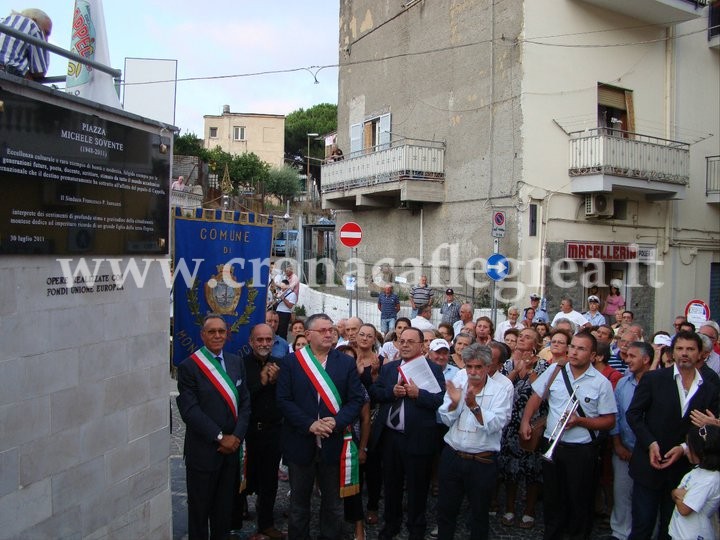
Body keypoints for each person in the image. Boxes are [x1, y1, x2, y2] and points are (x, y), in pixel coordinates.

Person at [520, 331, 617, 540]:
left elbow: (609, 420)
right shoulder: (556, 369)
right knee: (553, 499)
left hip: (581, 450)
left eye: (581, 349)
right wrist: (526, 421)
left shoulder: (601, 383)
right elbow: (537, 397)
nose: (574, 352)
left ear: (593, 356)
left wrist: (580, 421)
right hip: (552, 443)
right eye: (572, 346)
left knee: (579, 501)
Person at [276, 313, 365, 540]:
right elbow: (283, 400)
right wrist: (310, 424)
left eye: (331, 330)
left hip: (333, 443)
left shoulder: (345, 362)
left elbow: (356, 400)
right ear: (307, 334)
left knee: (333, 505)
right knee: (298, 505)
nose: (329, 334)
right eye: (323, 330)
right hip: (300, 442)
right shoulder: (291, 362)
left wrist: (337, 421)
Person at [626, 331, 720, 540]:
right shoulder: (653, 379)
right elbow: (633, 414)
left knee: (671, 531)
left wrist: (685, 448)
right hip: (649, 465)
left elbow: (711, 430)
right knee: (642, 526)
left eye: (690, 349)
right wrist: (650, 442)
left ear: (700, 354)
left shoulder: (710, 388)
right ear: (672, 352)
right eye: (680, 349)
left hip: (682, 471)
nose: (684, 354)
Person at [176, 314, 251, 540]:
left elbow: (245, 402)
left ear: (227, 334)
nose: (217, 335)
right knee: (199, 512)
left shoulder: (236, 362)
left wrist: (236, 437)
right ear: (203, 335)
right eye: (212, 332)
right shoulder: (189, 367)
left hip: (231, 451)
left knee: (223, 511)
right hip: (203, 452)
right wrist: (220, 437)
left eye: (221, 331)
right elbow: (190, 411)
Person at [370, 327, 445, 540]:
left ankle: (416, 527)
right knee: (391, 484)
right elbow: (375, 392)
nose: (404, 344)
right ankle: (391, 524)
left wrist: (418, 394)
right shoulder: (389, 368)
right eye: (401, 340)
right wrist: (390, 392)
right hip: (390, 437)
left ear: (422, 346)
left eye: (410, 341)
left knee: (417, 485)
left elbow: (439, 401)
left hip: (417, 437)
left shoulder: (432, 369)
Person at [436, 344, 513, 540]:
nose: (473, 372)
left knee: (479, 514)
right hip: (453, 456)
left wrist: (474, 406)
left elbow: (497, 423)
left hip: (482, 461)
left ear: (488, 367)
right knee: (446, 510)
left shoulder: (500, 389)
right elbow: (445, 419)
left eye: (478, 367)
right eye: (469, 367)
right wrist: (454, 404)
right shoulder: (459, 382)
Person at [499, 328, 549, 530]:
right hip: (510, 423)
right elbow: (501, 387)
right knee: (510, 468)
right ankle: (509, 508)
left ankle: (529, 510)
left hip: (533, 424)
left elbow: (544, 393)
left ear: (536, 344)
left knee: (532, 468)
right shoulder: (508, 363)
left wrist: (530, 371)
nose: (521, 338)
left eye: (527, 337)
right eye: (521, 336)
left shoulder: (545, 366)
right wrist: (516, 370)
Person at [237, 324, 284, 539]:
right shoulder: (239, 365)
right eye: (260, 340)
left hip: (273, 431)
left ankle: (265, 523)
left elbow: (286, 397)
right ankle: (236, 518)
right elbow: (239, 398)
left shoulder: (281, 365)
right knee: (242, 475)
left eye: (268, 340)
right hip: (247, 432)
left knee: (269, 481)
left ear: (273, 342)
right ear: (251, 342)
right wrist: (263, 382)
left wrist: (276, 381)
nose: (264, 344)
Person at [609, 341, 653, 540]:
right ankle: (620, 533)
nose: (627, 360)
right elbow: (616, 414)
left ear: (646, 360)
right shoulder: (623, 383)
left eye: (632, 356)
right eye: (627, 356)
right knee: (622, 494)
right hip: (625, 448)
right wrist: (617, 444)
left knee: (646, 497)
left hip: (648, 451)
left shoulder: (657, 383)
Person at [668, 424, 720, 540]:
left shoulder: (709, 480)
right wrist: (677, 493)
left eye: (689, 447)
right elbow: (676, 493)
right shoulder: (697, 471)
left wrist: (676, 493)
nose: (686, 451)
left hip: (692, 536)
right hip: (680, 533)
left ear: (701, 452)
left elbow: (684, 509)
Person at [0, 8, 51, 80]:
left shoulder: (4, 21)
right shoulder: (32, 25)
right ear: (34, 20)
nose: (46, 39)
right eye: (46, 33)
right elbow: (40, 72)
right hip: (6, 72)